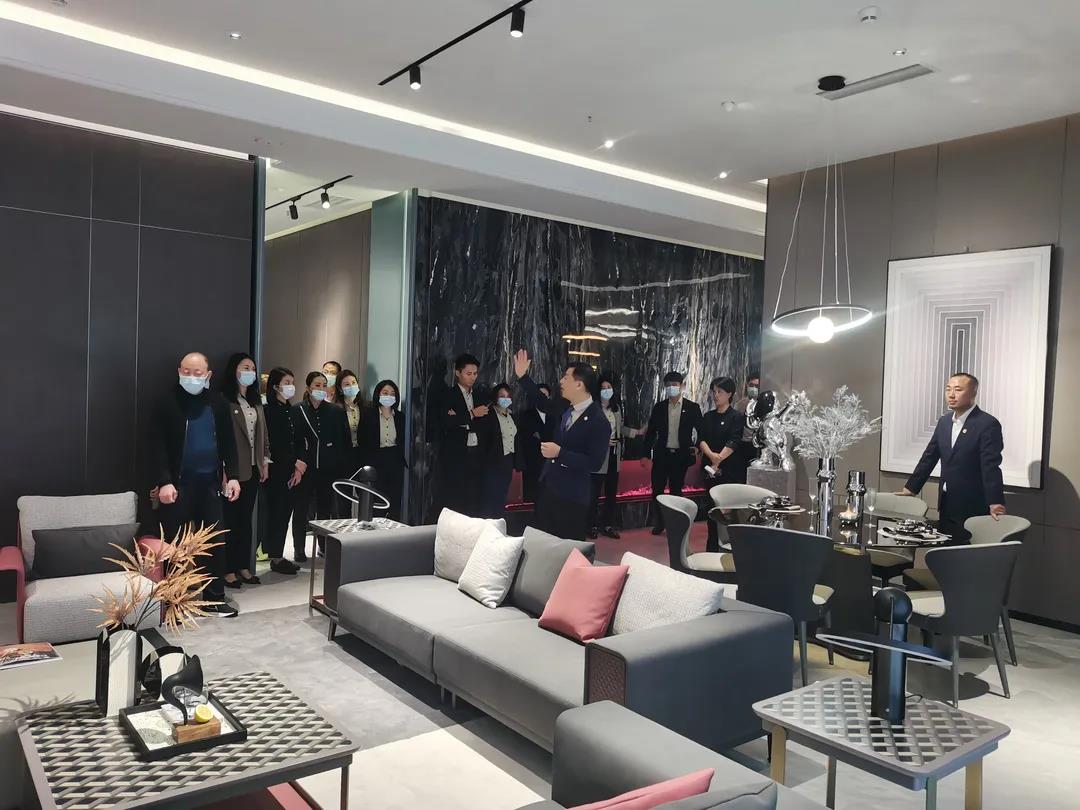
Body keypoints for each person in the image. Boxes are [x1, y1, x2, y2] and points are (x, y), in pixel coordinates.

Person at [148, 351, 241, 617]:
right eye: (186, 372)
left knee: (213, 541)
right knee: (173, 544)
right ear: (179, 372)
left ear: (208, 375)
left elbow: (229, 443)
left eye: (197, 373)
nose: (191, 377)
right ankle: (173, 602)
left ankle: (214, 599)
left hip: (210, 484)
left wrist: (233, 475)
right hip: (178, 486)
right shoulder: (166, 403)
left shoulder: (218, 404)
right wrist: (164, 481)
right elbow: (156, 446)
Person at [513, 349, 611, 541]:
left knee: (567, 545)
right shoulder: (566, 406)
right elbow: (542, 402)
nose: (561, 381)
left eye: (566, 378)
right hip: (550, 487)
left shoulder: (598, 421)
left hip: (572, 495)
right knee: (543, 541)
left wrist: (560, 453)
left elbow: (594, 463)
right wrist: (523, 377)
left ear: (579, 384)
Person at [898, 372, 1005, 543]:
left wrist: (995, 501)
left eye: (958, 390)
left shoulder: (987, 424)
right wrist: (911, 488)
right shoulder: (944, 422)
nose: (951, 394)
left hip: (973, 504)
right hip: (946, 502)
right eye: (948, 389)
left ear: (973, 393)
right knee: (944, 550)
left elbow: (990, 466)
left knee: (964, 554)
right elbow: (929, 456)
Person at [218, 353, 270, 589]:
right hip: (233, 470)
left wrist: (264, 462)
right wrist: (224, 471)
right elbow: (220, 437)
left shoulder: (255, 400)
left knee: (246, 521)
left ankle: (243, 566)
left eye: (252, 368)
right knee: (230, 520)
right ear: (234, 370)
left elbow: (263, 434)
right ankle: (228, 569)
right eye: (245, 367)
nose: (250, 372)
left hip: (254, 467)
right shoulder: (224, 400)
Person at [291, 371, 349, 561]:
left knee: (325, 509)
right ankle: (299, 549)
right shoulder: (298, 410)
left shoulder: (335, 411)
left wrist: (339, 465)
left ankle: (323, 546)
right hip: (304, 469)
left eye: (324, 385)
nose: (321, 388)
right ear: (308, 388)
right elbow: (294, 440)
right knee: (301, 509)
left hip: (328, 469)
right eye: (317, 385)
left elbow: (343, 441)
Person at [642, 371, 703, 534]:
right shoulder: (660, 407)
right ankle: (660, 522)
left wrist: (697, 446)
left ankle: (675, 523)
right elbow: (651, 433)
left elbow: (702, 430)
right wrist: (645, 454)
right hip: (662, 455)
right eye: (668, 385)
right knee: (657, 490)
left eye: (674, 385)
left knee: (676, 490)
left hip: (681, 456)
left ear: (682, 386)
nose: (671, 388)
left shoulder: (692, 407)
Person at [698, 377, 748, 552]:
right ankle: (711, 549)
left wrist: (719, 458)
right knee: (712, 511)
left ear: (729, 394)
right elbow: (701, 439)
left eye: (720, 392)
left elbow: (734, 440)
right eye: (714, 391)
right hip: (709, 470)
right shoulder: (708, 416)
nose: (716, 395)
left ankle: (729, 550)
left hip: (729, 470)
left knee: (728, 513)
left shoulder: (736, 417)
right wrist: (712, 456)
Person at [262, 367, 303, 575]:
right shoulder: (269, 410)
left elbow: (297, 440)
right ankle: (273, 554)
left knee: (285, 512)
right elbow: (273, 443)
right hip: (276, 469)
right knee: (275, 512)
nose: (290, 386)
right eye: (287, 382)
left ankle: (277, 554)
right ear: (276, 385)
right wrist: (294, 462)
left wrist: (299, 464)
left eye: (292, 382)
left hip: (291, 468)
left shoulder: (291, 410)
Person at [438, 353, 488, 517]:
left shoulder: (480, 395)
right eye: (468, 373)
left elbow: (483, 422)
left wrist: (461, 418)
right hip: (455, 454)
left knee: (475, 498)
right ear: (458, 373)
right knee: (455, 498)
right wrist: (472, 414)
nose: (473, 377)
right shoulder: (448, 394)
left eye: (475, 373)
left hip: (476, 452)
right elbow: (446, 422)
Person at [360, 379, 407, 522]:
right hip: (375, 460)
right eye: (385, 393)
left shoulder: (400, 417)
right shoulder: (368, 415)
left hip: (394, 460)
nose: (389, 396)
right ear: (378, 395)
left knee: (394, 500)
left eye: (392, 394)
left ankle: (393, 529)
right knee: (376, 500)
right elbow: (362, 440)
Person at [587, 376, 624, 539]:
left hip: (614, 456)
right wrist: (602, 441)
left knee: (611, 493)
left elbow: (620, 429)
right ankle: (591, 525)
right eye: (603, 388)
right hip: (598, 457)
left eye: (609, 387)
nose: (607, 390)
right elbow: (586, 432)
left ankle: (607, 525)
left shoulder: (616, 409)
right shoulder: (592, 408)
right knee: (593, 494)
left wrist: (637, 432)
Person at [481, 383, 519, 519]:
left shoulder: (511, 416)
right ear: (496, 398)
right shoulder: (489, 414)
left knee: (502, 496)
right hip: (492, 461)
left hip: (507, 461)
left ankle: (498, 524)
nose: (505, 399)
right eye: (502, 396)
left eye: (508, 397)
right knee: (490, 498)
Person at [518, 382, 553, 503]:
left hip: (550, 465)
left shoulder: (554, 416)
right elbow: (524, 439)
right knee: (533, 497)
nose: (542, 398)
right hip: (532, 465)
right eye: (539, 395)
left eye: (545, 396)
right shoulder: (525, 416)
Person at [734, 372, 760, 470]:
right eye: (751, 385)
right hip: (743, 444)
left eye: (756, 386)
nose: (753, 388)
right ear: (747, 385)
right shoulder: (740, 405)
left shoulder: (763, 404)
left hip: (758, 445)